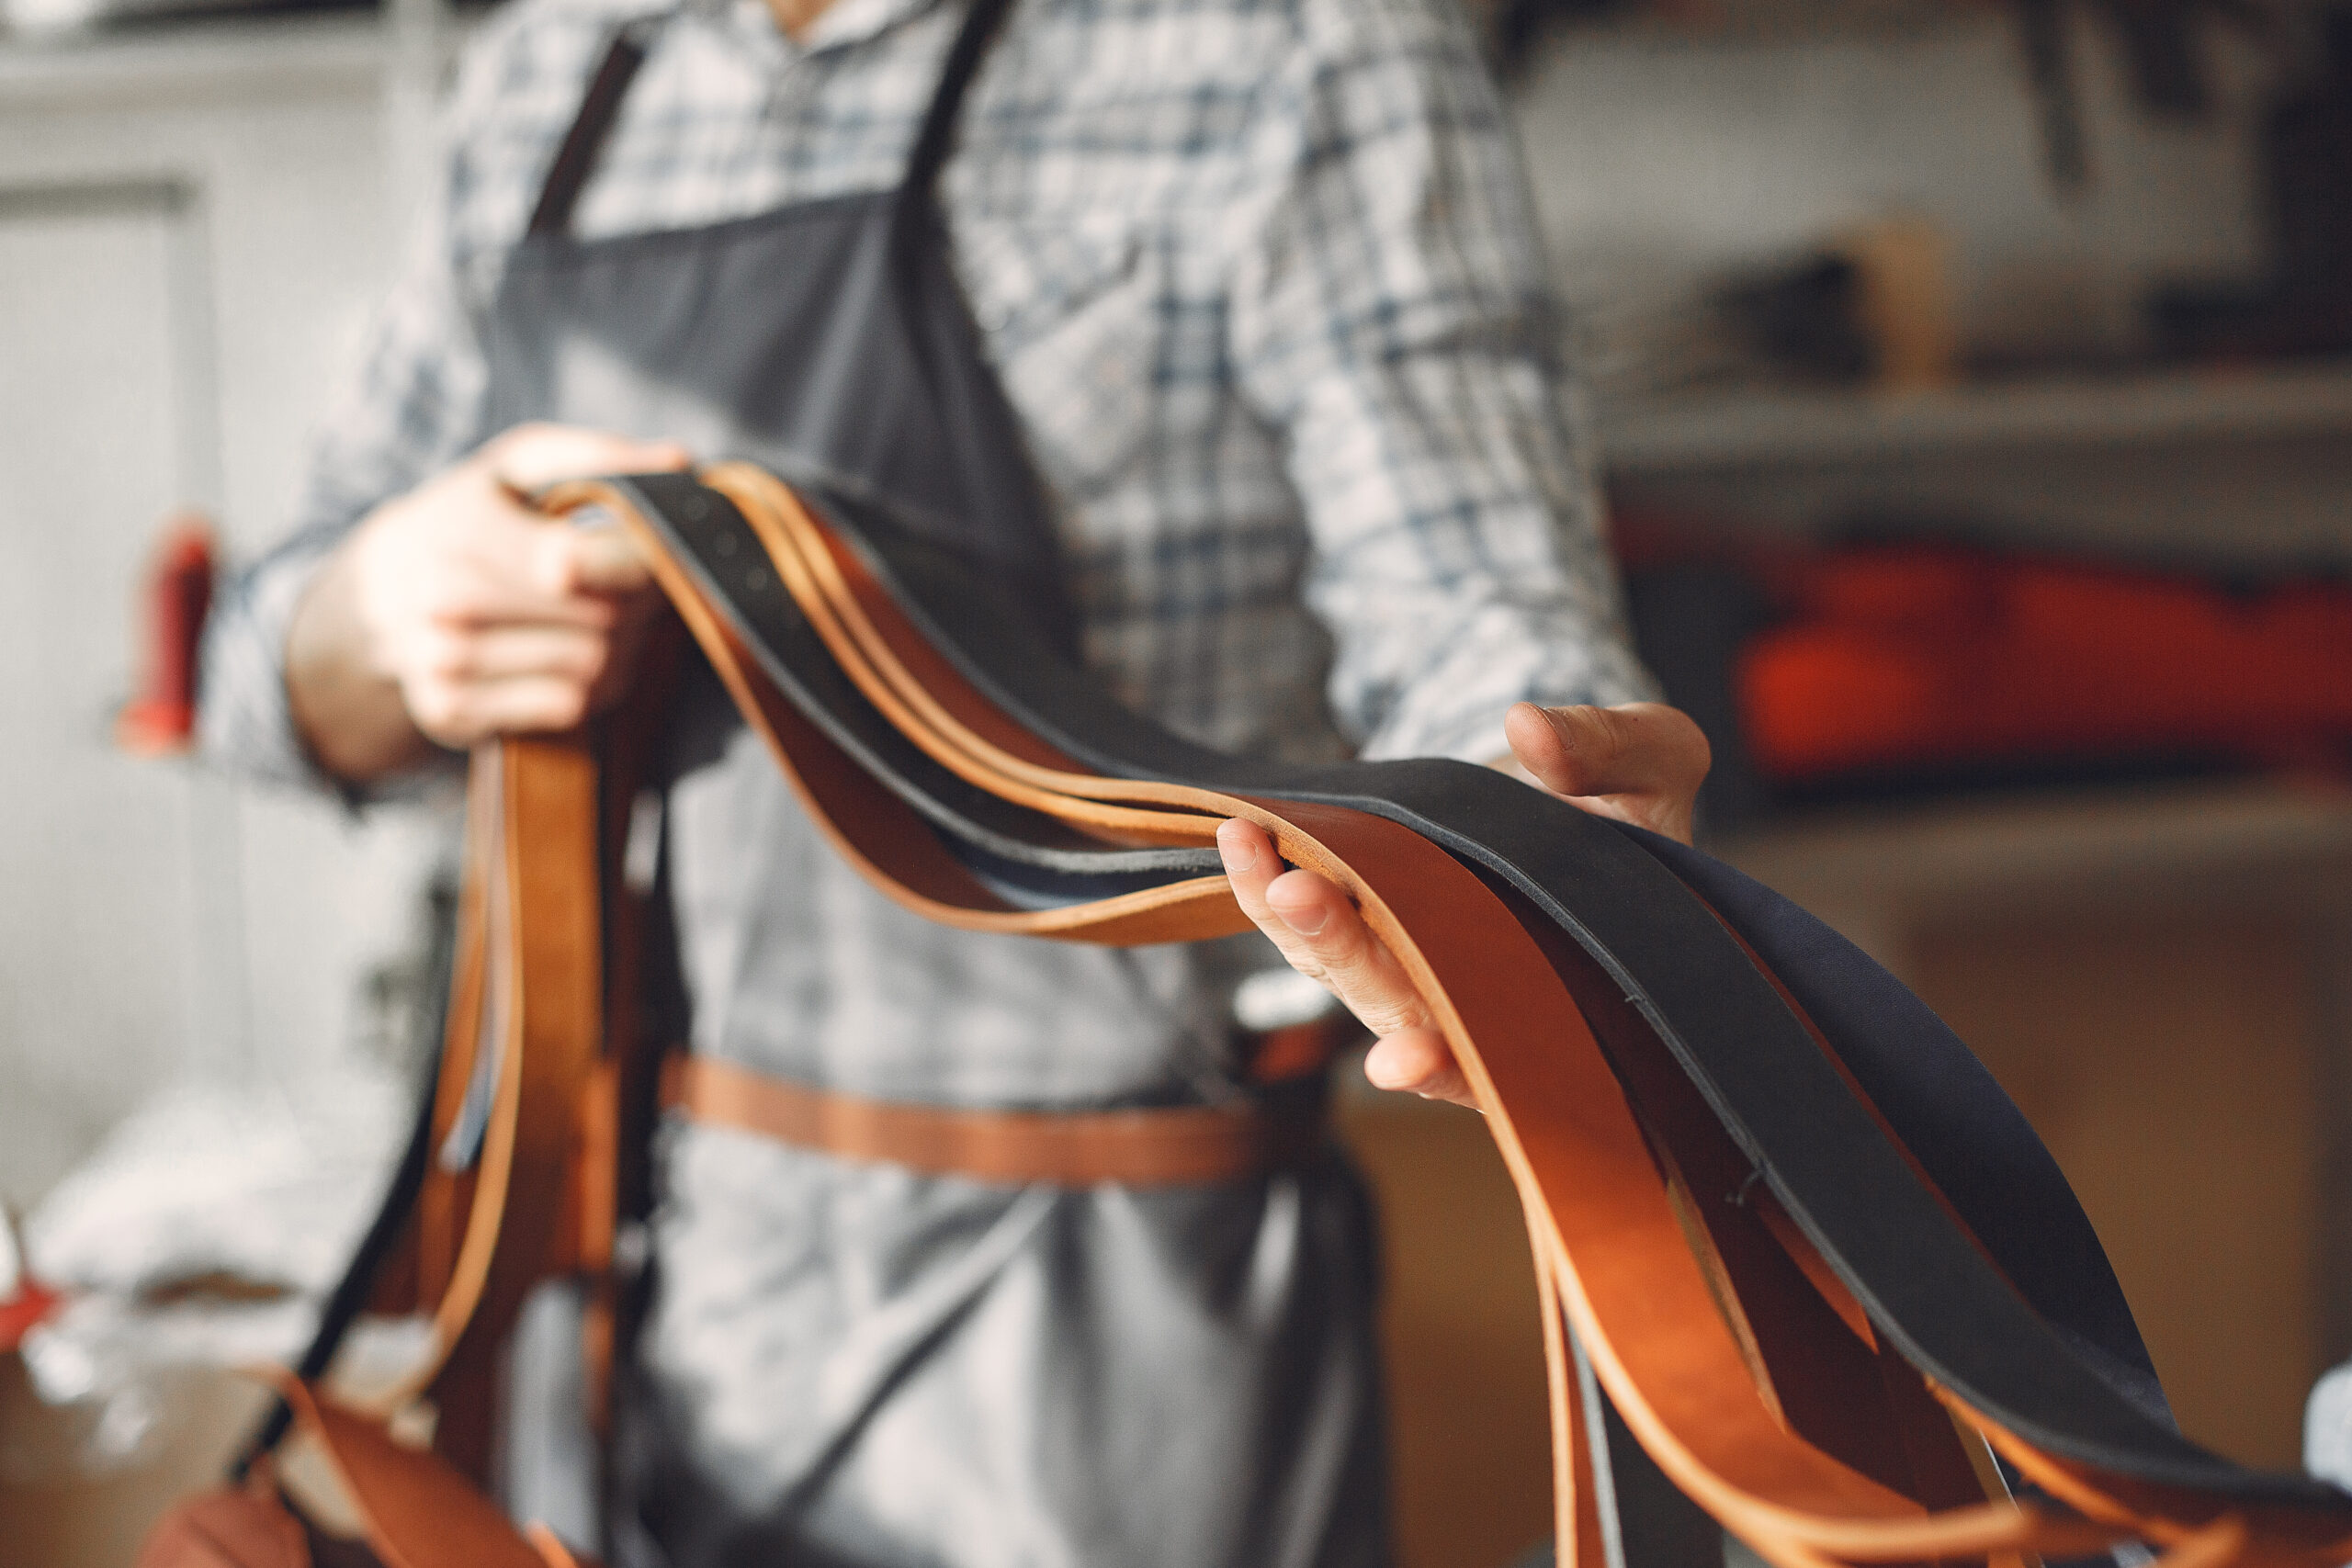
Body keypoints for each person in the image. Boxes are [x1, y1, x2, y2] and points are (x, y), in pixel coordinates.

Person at [198, 0, 1707, 1559]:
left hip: (1101, 1312)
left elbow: (1474, 606)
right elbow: (253, 684)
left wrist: (1545, 870)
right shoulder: (558, 61)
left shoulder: (1304, 44)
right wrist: (372, 617)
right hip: (611, 1285)